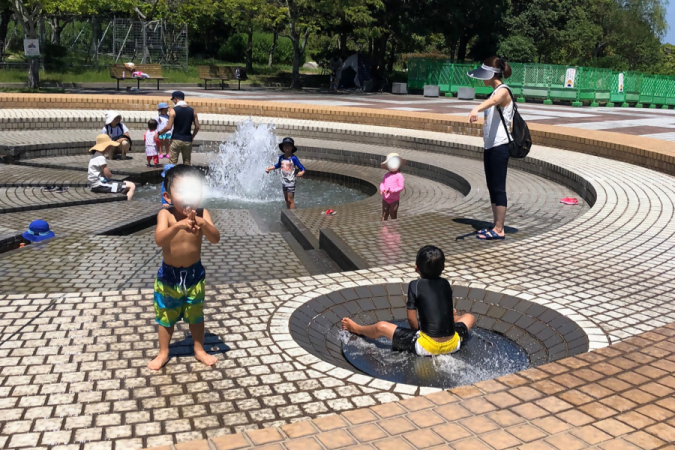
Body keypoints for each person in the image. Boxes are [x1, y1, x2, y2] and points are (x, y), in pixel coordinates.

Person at [148, 165, 221, 370]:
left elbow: (215, 239)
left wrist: (203, 224)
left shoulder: (202, 213)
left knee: (196, 315)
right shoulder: (167, 216)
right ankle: (163, 352)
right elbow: (159, 240)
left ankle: (199, 349)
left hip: (194, 275)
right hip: (169, 277)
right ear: (168, 196)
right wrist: (178, 226)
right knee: (166, 317)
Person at [342, 245, 475, 356]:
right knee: (469, 317)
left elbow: (412, 319)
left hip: (426, 347)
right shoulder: (446, 283)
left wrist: (416, 333)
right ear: (443, 267)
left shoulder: (414, 285)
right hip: (453, 343)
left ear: (416, 268)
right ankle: (455, 318)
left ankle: (357, 329)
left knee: (381, 326)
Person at [467, 56, 514, 241]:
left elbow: (494, 101)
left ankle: (500, 229)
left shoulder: (503, 91)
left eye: (484, 76)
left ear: (492, 75)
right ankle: (495, 225)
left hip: (500, 146)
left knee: (498, 188)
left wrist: (475, 109)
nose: (482, 80)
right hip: (491, 146)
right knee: (492, 187)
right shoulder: (494, 91)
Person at [87, 134, 135, 201]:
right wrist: (110, 174)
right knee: (132, 186)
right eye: (109, 145)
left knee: (125, 182)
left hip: (95, 184)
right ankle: (127, 203)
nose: (110, 147)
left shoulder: (95, 156)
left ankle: (123, 200)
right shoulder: (100, 158)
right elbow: (108, 175)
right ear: (105, 146)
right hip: (99, 185)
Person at [158, 91, 200, 166]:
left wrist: (159, 133)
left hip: (176, 139)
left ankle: (172, 177)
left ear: (176, 99)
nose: (173, 101)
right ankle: (186, 176)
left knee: (172, 163)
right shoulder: (193, 111)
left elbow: (168, 127)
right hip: (187, 140)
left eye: (173, 100)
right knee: (187, 163)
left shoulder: (173, 111)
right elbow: (197, 127)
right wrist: (192, 136)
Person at [265, 137, 305, 209]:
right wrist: (269, 168)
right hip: (284, 181)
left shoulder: (293, 158)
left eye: (288, 146)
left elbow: (302, 167)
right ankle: (288, 212)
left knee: (290, 199)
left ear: (292, 147)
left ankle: (293, 213)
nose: (286, 147)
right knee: (286, 199)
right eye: (285, 146)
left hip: (291, 181)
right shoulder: (281, 157)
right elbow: (278, 165)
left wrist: (301, 172)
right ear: (282, 147)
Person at [380, 153, 405, 221]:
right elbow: (383, 183)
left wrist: (393, 190)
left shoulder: (399, 176)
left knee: (393, 213)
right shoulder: (386, 175)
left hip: (394, 199)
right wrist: (382, 189)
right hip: (385, 198)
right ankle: (383, 228)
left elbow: (401, 186)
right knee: (384, 214)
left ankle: (393, 228)